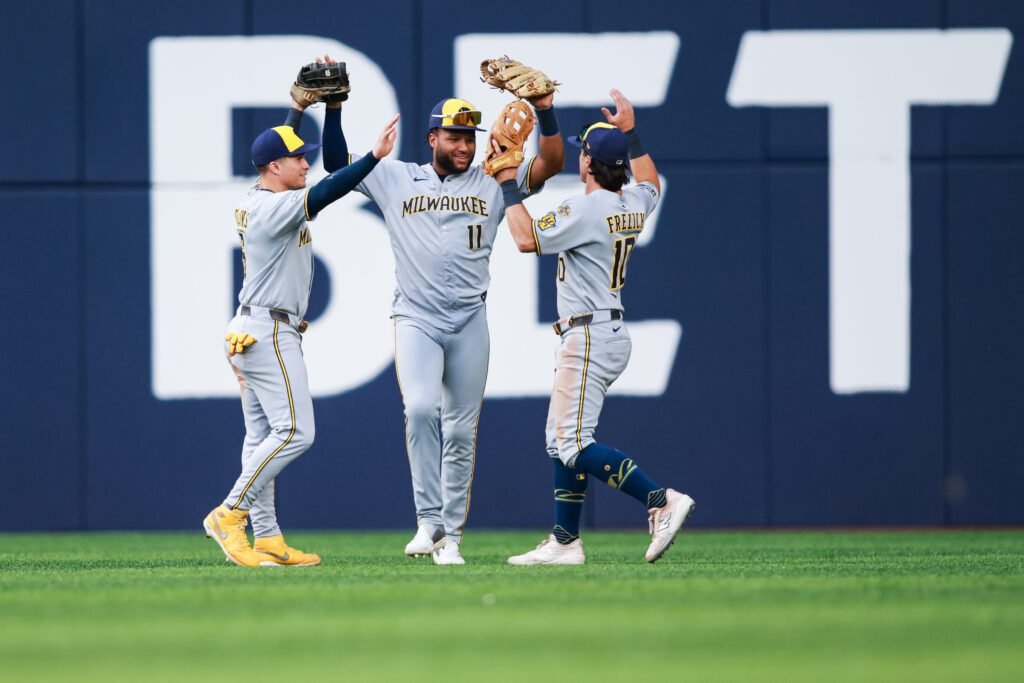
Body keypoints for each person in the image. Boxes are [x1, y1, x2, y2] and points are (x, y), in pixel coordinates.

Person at [321, 93, 565, 564]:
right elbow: (335, 164)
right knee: (419, 409)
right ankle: (429, 521)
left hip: (469, 319)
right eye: (454, 137)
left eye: (469, 138)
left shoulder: (494, 178)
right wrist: (334, 110)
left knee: (460, 431)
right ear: (432, 137)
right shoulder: (396, 177)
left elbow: (552, 162)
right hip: (417, 317)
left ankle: (451, 538)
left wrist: (546, 110)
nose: (465, 146)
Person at [203, 74, 399, 568]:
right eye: (299, 158)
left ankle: (267, 536)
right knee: (295, 433)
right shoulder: (275, 208)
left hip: (251, 325)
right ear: (275, 167)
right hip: (268, 331)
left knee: (261, 438)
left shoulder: (259, 194)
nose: (307, 162)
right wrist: (373, 158)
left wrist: (300, 111)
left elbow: (279, 153)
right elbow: (331, 188)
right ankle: (229, 514)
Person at [493, 89, 695, 565]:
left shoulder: (585, 209)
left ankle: (660, 499)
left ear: (587, 162)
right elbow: (652, 182)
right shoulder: (633, 200)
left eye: (581, 151)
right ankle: (565, 541)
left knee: (572, 442)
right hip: (605, 331)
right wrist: (632, 133)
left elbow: (524, 239)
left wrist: (506, 181)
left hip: (588, 335)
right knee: (560, 440)